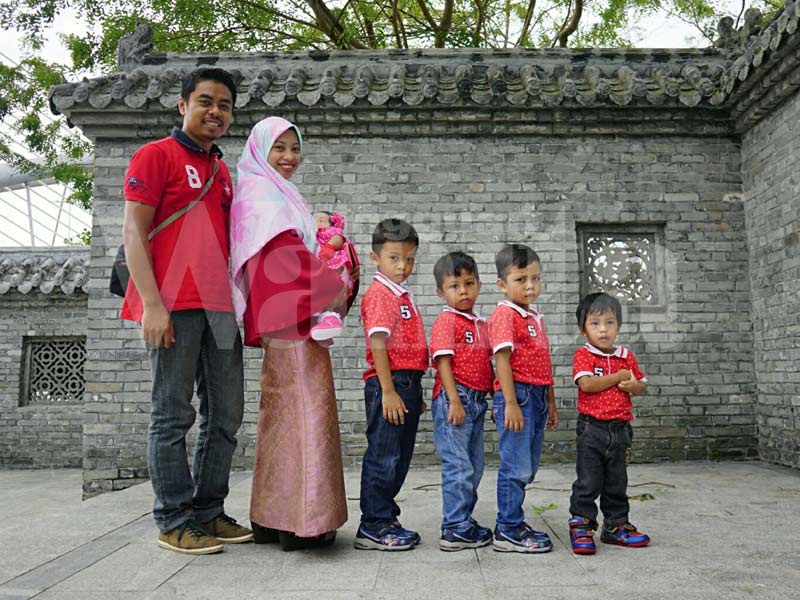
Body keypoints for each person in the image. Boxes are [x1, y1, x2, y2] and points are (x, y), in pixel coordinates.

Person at [121, 68, 252, 555]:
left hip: (219, 308)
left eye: (224, 104)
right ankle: (173, 518)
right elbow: (134, 232)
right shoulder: (155, 156)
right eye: (204, 101)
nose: (214, 111)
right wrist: (152, 305)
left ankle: (208, 511)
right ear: (182, 105)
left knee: (227, 414)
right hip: (172, 304)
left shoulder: (222, 171)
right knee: (172, 414)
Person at [229, 116, 355, 551]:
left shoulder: (269, 192)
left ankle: (273, 516)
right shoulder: (264, 196)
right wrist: (337, 278)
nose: (288, 157)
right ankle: (306, 521)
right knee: (307, 412)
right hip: (294, 321)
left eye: (294, 148)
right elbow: (285, 259)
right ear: (260, 149)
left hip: (287, 321)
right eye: (278, 148)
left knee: (283, 415)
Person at [354, 218, 428, 551]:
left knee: (399, 456)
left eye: (409, 259)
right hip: (390, 384)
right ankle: (373, 524)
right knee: (384, 455)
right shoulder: (381, 294)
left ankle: (386, 515)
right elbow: (379, 345)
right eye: (394, 258)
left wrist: (414, 389)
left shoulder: (401, 294)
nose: (403, 266)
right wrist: (388, 391)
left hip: (406, 383)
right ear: (375, 258)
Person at [488, 243, 558, 553]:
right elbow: (502, 359)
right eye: (520, 279)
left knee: (527, 466)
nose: (530, 286)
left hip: (538, 396)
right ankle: (508, 528)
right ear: (502, 284)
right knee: (515, 466)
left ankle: (513, 519)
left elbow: (544, 362)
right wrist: (511, 401)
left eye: (535, 278)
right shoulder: (505, 314)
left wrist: (551, 401)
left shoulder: (534, 317)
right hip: (518, 397)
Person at [568, 292, 650, 554]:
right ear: (583, 329)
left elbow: (641, 387)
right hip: (592, 430)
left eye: (609, 322)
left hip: (620, 430)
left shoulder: (627, 357)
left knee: (617, 482)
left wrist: (633, 384)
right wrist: (617, 378)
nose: (603, 330)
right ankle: (581, 526)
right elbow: (587, 384)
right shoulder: (584, 355)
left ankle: (616, 526)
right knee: (588, 482)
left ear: (618, 326)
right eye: (595, 323)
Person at [429, 252, 494, 551]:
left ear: (479, 285)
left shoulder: (481, 324)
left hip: (477, 400)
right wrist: (454, 400)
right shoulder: (447, 321)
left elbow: (488, 364)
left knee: (475, 465)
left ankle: (464, 520)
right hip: (455, 399)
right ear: (441, 292)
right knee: (458, 466)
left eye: (469, 283)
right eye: (455, 286)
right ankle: (454, 527)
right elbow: (443, 362)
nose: (464, 291)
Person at [309, 210, 356, 341]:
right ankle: (328, 319)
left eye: (321, 220)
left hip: (333, 265)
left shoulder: (330, 233)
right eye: (314, 220)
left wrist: (330, 246)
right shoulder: (311, 235)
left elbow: (338, 238)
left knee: (327, 289)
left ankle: (326, 314)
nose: (317, 222)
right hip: (318, 268)